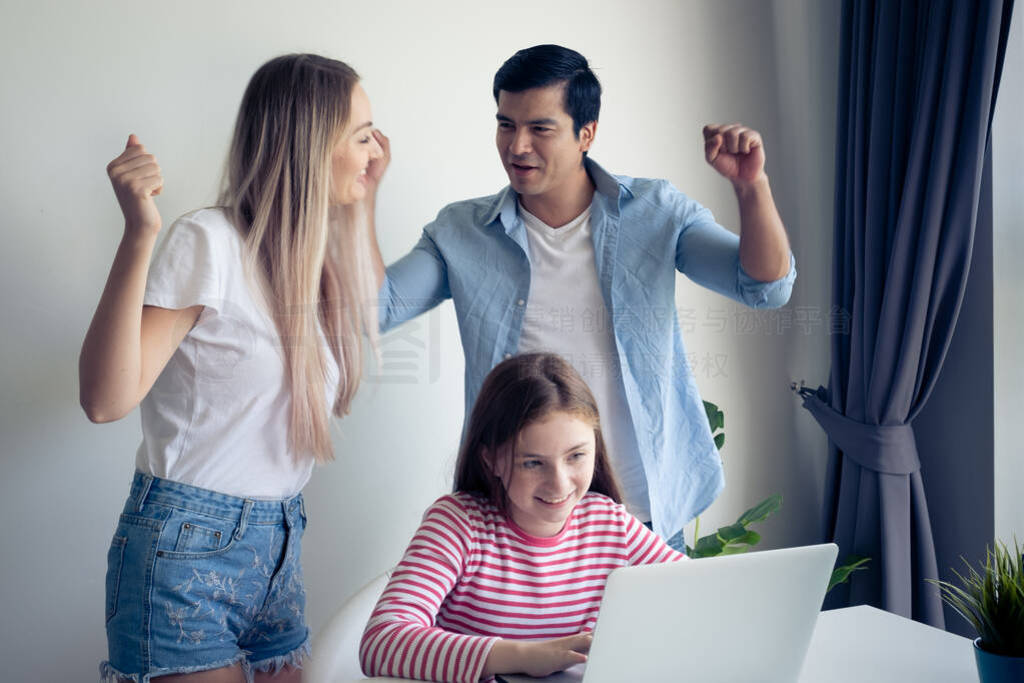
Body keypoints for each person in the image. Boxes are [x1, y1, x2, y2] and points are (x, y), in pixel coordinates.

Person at [373, 44, 796, 548]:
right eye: (506, 125)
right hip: (518, 515)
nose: (517, 146)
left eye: (540, 128)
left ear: (586, 133)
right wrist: (357, 200)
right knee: (532, 635)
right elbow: (375, 308)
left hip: (641, 511)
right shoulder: (462, 232)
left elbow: (765, 287)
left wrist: (752, 187)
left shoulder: (655, 212)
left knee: (646, 632)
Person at [79, 53, 388, 683]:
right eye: (361, 136)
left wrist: (362, 207)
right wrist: (140, 232)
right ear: (311, 144)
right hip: (186, 549)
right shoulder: (209, 242)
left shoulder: (310, 266)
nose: (375, 152)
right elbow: (106, 400)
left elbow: (374, 312)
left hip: (277, 550)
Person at [359, 353, 687, 683]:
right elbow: (381, 642)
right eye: (532, 463)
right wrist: (524, 656)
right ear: (491, 461)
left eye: (576, 456)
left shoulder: (610, 523)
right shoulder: (458, 524)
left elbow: (698, 591)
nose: (559, 483)